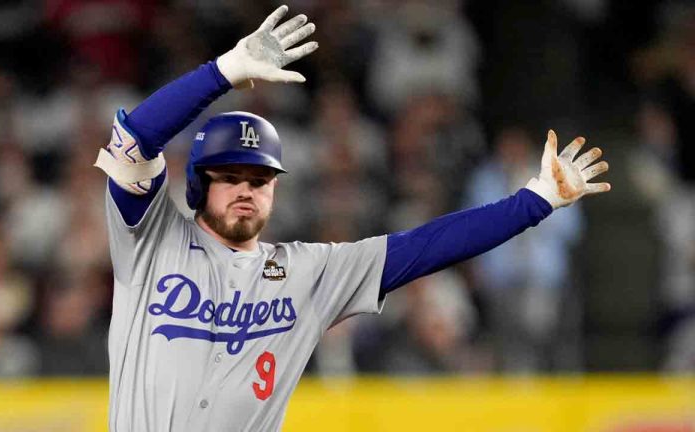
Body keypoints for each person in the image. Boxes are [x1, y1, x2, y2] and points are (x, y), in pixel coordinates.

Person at [94, 6, 610, 431]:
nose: (245, 191)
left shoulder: (306, 273)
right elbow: (134, 137)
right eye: (228, 178)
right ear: (198, 186)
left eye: (258, 179)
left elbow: (427, 246)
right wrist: (224, 72)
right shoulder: (149, 237)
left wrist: (535, 200)